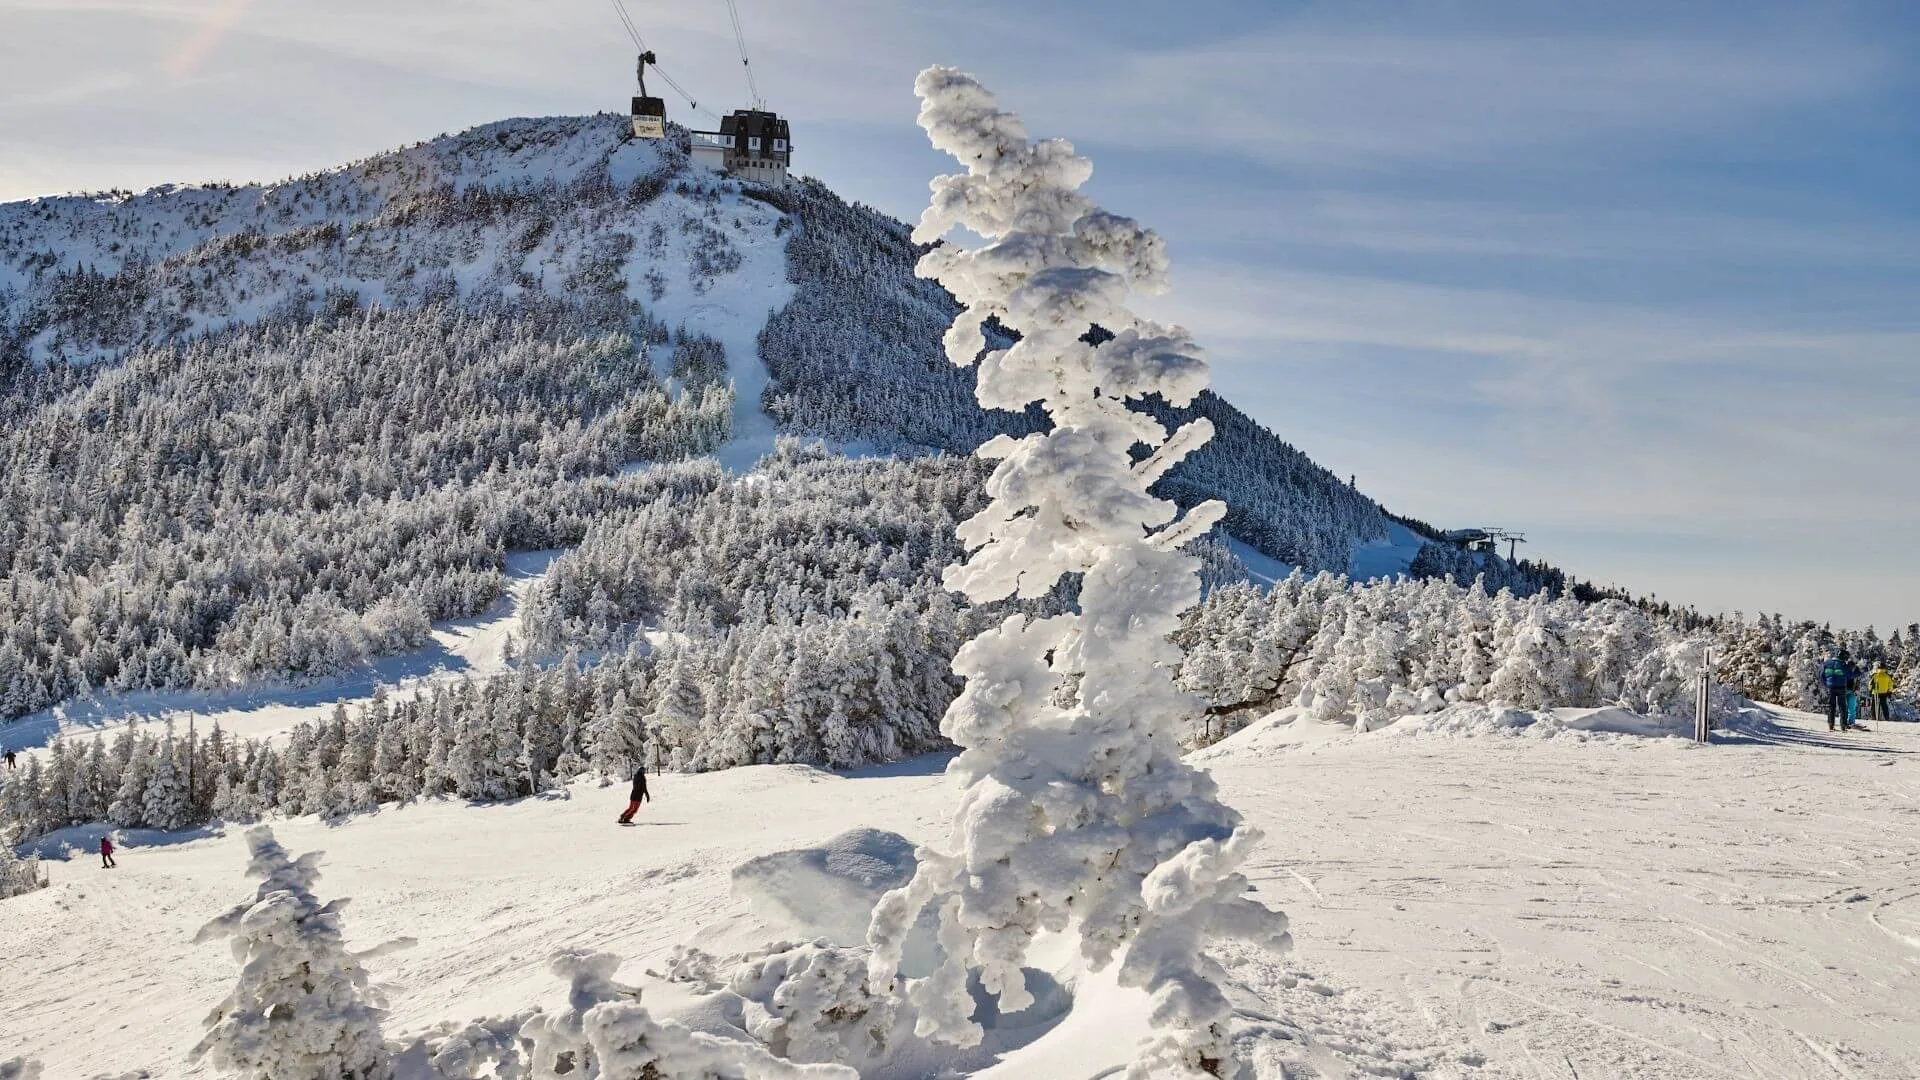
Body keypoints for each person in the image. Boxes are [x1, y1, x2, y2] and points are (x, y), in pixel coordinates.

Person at [1821, 649, 1858, 732]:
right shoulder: (1843, 664)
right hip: (1841, 687)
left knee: (1831, 706)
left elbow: (1822, 675)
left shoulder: (1827, 663)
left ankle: (1831, 725)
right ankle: (1843, 726)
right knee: (1842, 706)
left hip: (1831, 687)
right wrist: (1857, 671)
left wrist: (1827, 684)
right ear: (1844, 657)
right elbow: (1850, 675)